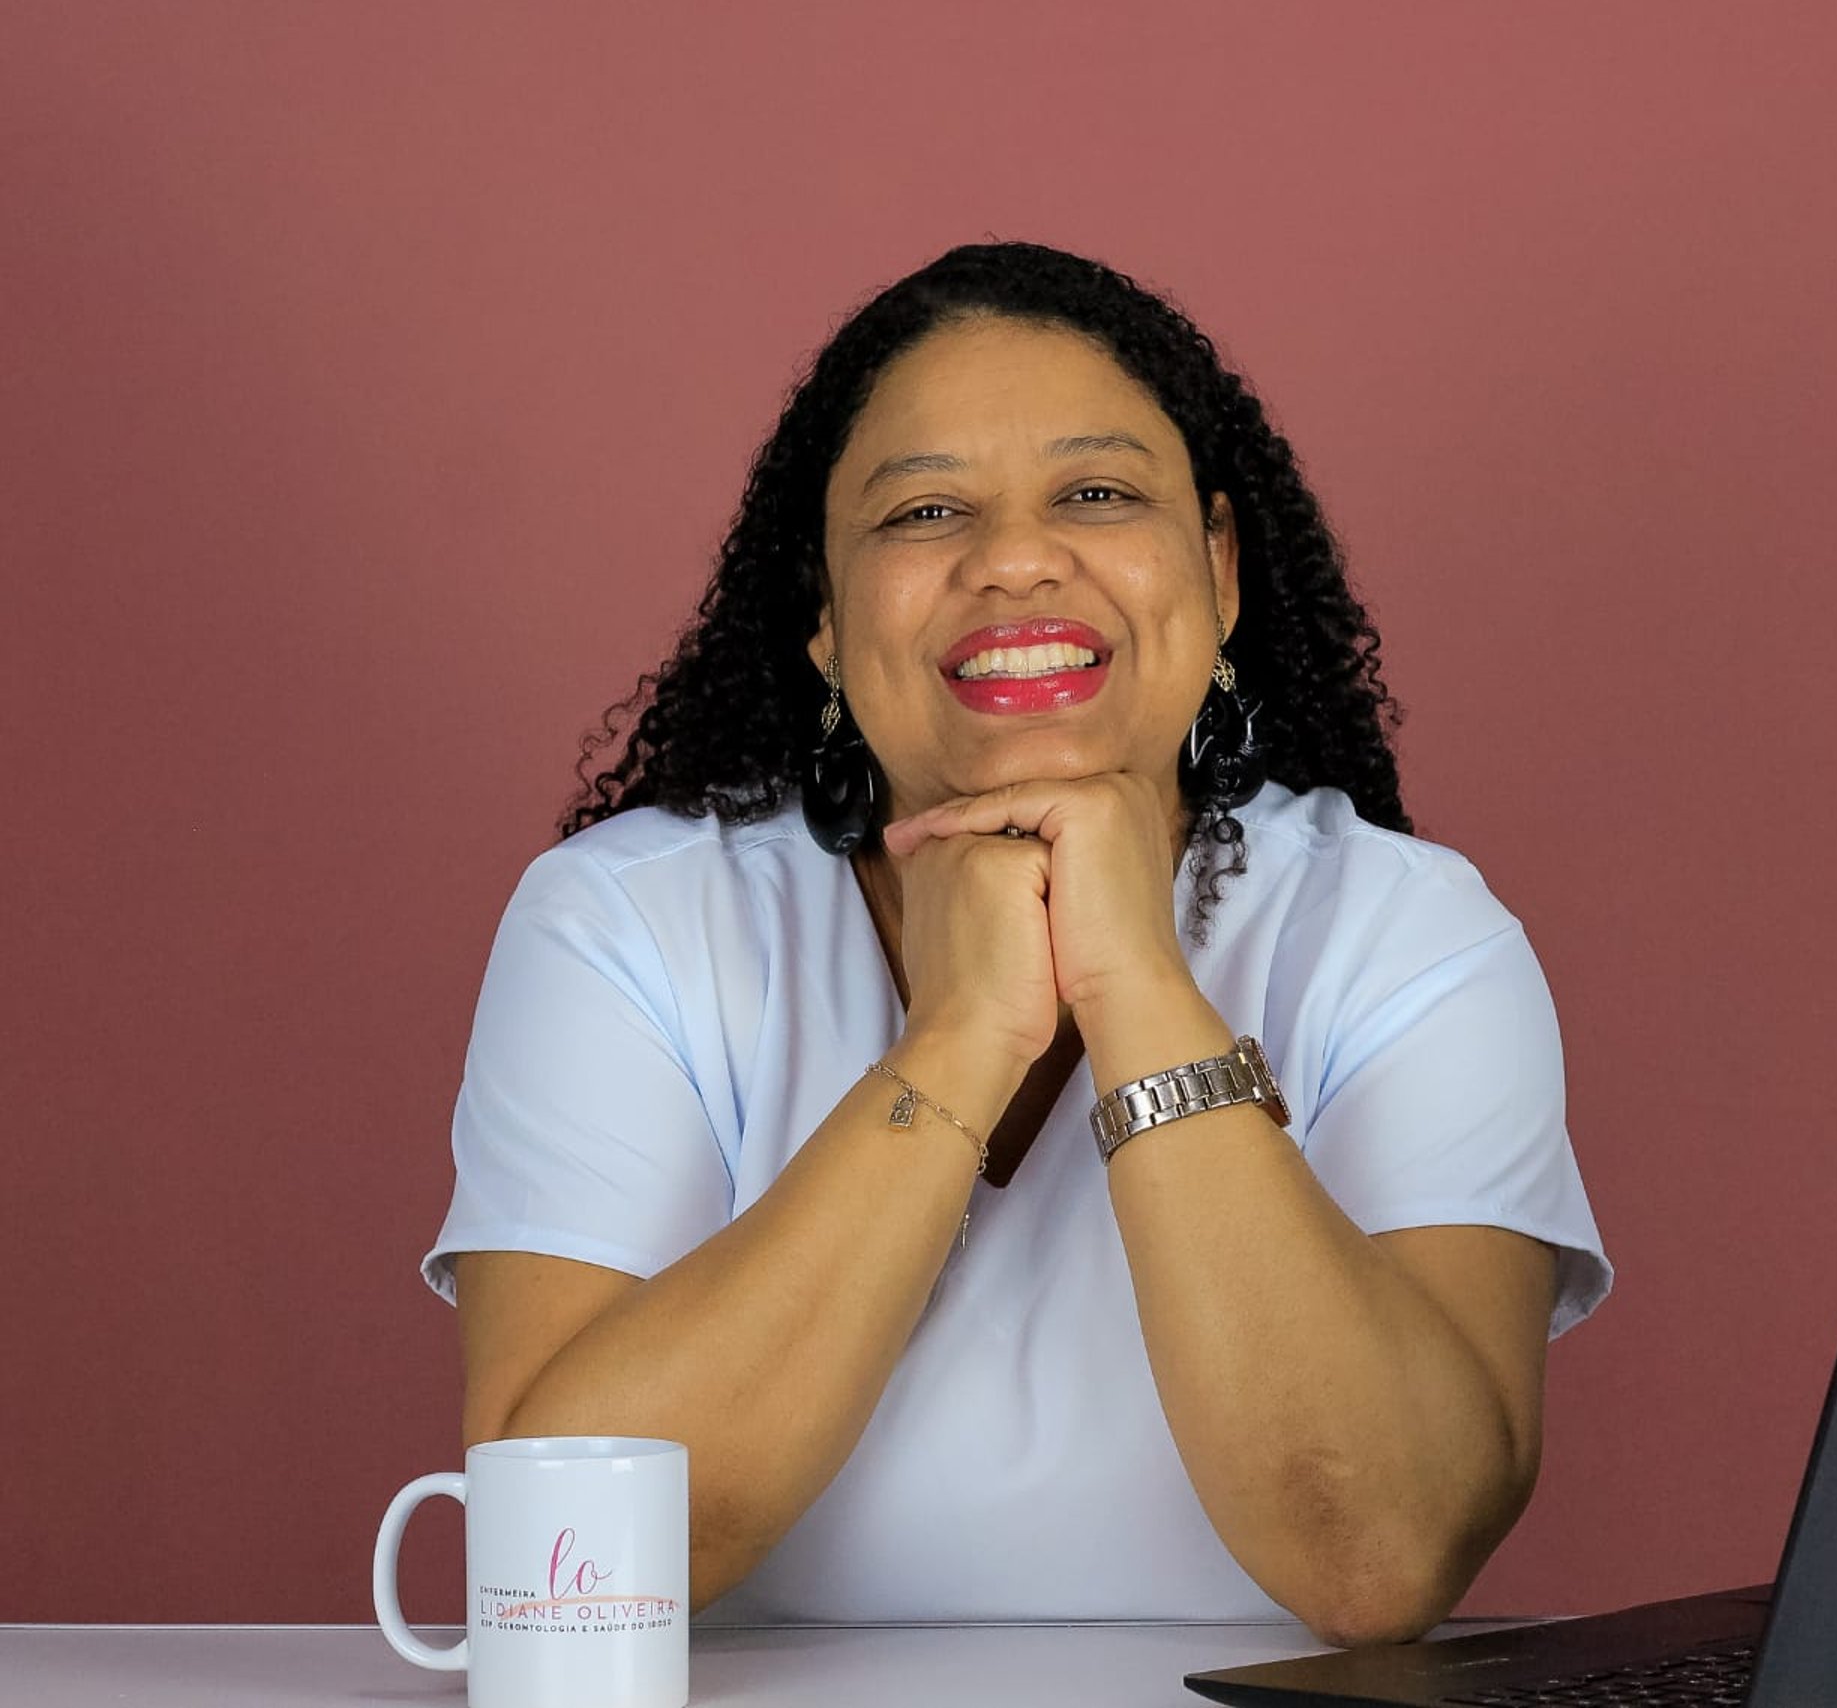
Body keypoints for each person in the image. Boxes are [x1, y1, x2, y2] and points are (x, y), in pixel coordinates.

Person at [421, 240, 1611, 1646]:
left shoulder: (1411, 936)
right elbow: (559, 1557)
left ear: (1218, 571)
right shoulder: (624, 923)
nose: (1016, 560)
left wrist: (1137, 985)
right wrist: (960, 1042)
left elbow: (1387, 1554)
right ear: (822, 613)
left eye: (1097, 493)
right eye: (926, 511)